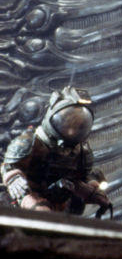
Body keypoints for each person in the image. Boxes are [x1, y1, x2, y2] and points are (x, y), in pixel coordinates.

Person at [2, 86, 111, 216]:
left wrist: (93, 191)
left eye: (77, 125)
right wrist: (14, 179)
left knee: (98, 201)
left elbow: (82, 177)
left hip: (61, 200)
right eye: (67, 121)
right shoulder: (30, 142)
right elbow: (9, 167)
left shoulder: (82, 151)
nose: (72, 129)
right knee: (42, 212)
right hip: (30, 194)